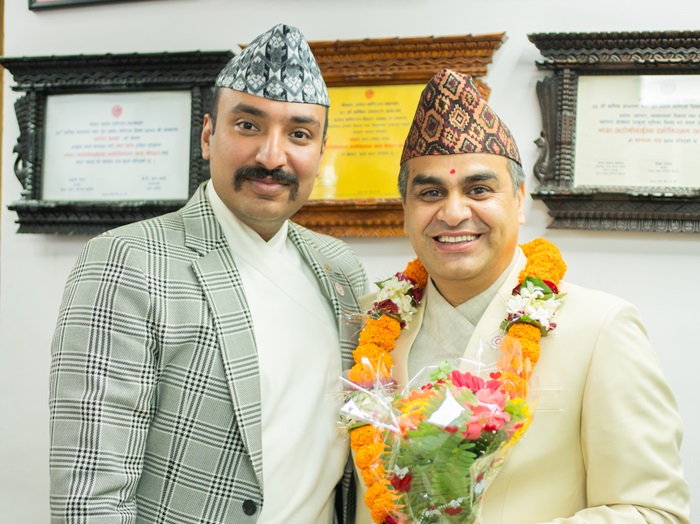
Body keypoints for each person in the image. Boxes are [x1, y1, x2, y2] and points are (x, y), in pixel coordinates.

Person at [49, 23, 368, 524]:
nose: (272, 156)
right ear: (207, 135)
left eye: (299, 134)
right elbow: (91, 493)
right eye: (248, 126)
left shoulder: (340, 268)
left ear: (320, 153)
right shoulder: (129, 261)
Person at [354, 68, 690, 523]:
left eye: (478, 189)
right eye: (430, 192)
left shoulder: (600, 329)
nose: (453, 213)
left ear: (519, 199)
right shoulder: (370, 327)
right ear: (406, 209)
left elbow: (655, 512)